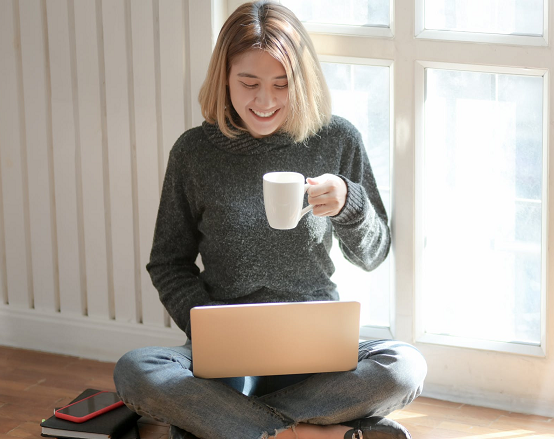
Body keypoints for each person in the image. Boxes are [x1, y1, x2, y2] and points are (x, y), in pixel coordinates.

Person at [113, 2, 427, 438]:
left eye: (282, 84)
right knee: (136, 370)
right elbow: (168, 262)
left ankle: (231, 424)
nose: (266, 100)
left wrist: (349, 204)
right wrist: (211, 328)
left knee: (404, 366)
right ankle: (317, 432)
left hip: (317, 349)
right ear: (225, 77)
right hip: (227, 355)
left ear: (302, 81)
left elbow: (374, 254)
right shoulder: (194, 153)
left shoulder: (337, 139)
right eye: (249, 82)